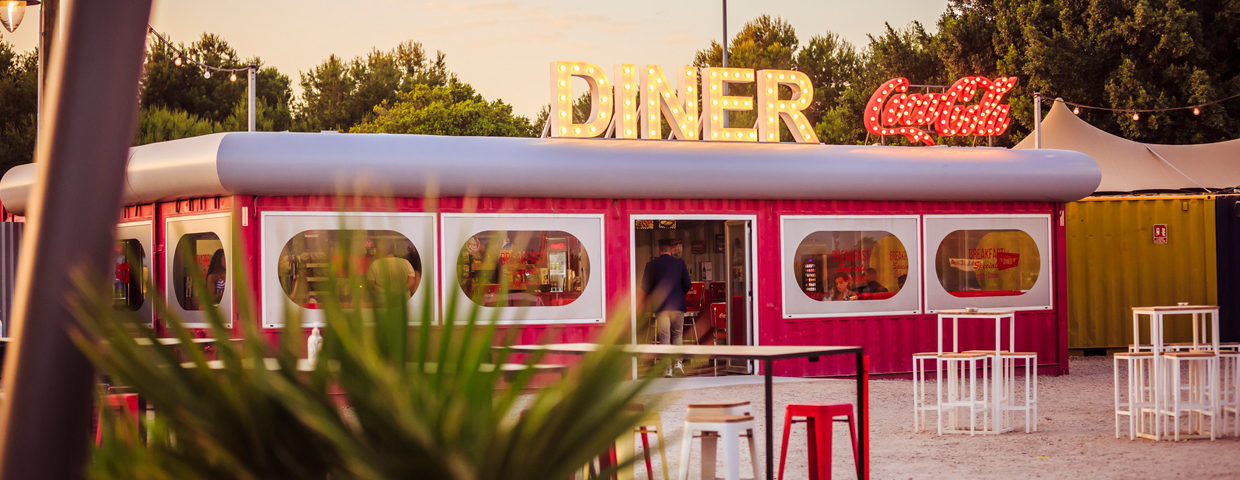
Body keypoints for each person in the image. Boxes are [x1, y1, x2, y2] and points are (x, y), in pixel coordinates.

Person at [642, 238, 691, 377]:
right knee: (677, 334)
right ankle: (678, 364)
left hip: (661, 306)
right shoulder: (680, 263)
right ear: (672, 249)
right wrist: (679, 294)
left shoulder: (651, 265)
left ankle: (667, 368)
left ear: (659, 249)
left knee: (664, 336)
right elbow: (687, 284)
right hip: (678, 305)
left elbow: (644, 286)